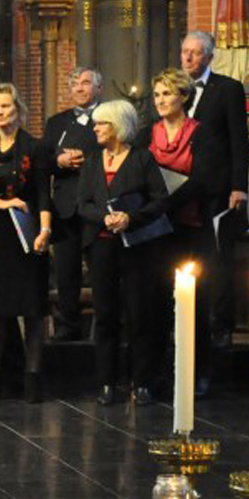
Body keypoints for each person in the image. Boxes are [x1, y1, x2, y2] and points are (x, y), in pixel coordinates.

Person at [78, 100, 171, 406]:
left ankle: (141, 381)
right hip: (102, 245)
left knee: (139, 313)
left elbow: (159, 200)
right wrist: (102, 218)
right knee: (105, 315)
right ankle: (106, 381)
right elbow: (84, 204)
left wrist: (131, 219)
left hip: (136, 247)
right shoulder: (92, 161)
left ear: (118, 126)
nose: (96, 128)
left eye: (101, 123)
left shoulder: (142, 159)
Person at [0, 83, 53, 402]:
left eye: (7, 107)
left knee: (31, 310)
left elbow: (44, 192)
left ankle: (33, 379)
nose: (2, 113)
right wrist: (3, 204)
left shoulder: (35, 146)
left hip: (28, 234)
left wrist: (44, 232)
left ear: (18, 110)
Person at [149, 68, 225, 396]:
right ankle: (162, 375)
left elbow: (204, 180)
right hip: (157, 232)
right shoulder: (146, 134)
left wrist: (164, 202)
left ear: (183, 97)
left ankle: (200, 374)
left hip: (192, 229)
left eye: (167, 94)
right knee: (159, 306)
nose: (161, 100)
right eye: (157, 95)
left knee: (195, 304)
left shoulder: (202, 133)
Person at [181, 30, 249, 347]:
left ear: (209, 56)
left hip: (217, 189)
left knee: (218, 259)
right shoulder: (175, 90)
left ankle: (221, 324)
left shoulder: (228, 89)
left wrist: (239, 186)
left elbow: (239, 140)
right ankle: (187, 320)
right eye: (185, 52)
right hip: (183, 191)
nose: (188, 58)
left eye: (195, 52)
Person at [42, 66, 102, 342]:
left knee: (101, 269)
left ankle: (102, 327)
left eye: (85, 83)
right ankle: (68, 325)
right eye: (74, 84)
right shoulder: (55, 123)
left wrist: (86, 157)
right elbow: (43, 161)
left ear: (97, 88)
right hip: (65, 206)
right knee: (66, 272)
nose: (79, 88)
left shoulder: (107, 118)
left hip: (98, 205)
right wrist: (58, 161)